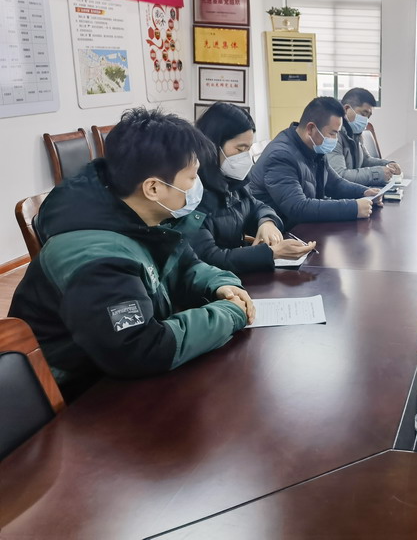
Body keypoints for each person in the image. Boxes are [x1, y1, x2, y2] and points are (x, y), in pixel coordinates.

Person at [9, 107, 255, 399]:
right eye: (192, 177)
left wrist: (220, 284)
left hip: (114, 374)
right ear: (153, 188)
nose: (196, 186)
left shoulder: (141, 216)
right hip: (77, 395)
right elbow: (139, 348)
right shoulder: (95, 257)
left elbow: (185, 264)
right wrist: (229, 314)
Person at [190, 102, 314, 274]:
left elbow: (256, 206)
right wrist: (271, 253)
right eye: (240, 149)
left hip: (236, 277)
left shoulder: (231, 181)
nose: (245, 157)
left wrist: (267, 222)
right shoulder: (192, 192)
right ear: (212, 145)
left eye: (248, 149)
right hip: (214, 283)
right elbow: (209, 258)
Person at [249, 96, 382, 229]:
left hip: (305, 226)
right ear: (311, 129)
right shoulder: (281, 156)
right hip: (280, 232)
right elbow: (297, 208)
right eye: (332, 133)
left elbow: (334, 183)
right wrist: (353, 208)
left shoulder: (314, 147)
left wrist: (364, 192)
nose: (335, 139)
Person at [328, 87, 401, 186]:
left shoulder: (355, 133)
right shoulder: (333, 135)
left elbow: (365, 161)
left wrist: (387, 164)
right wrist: (377, 173)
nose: (365, 120)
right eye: (363, 114)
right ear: (346, 109)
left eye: (368, 116)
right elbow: (340, 176)